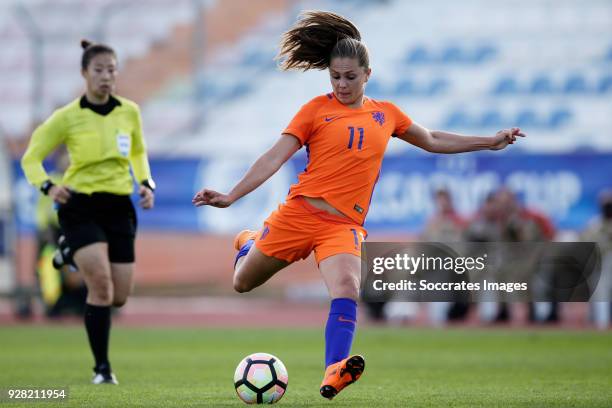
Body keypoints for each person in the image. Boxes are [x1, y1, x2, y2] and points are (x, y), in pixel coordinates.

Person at [192, 11, 525, 400]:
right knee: (242, 283)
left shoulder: (387, 114)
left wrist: (490, 140)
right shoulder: (315, 110)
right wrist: (232, 196)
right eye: (335, 76)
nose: (342, 84)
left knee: (348, 288)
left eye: (350, 77)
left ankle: (335, 368)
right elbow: (273, 157)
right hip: (299, 214)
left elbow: (432, 138)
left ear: (368, 74)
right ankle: (249, 240)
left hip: (342, 226)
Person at [21, 40, 155, 384]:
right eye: (98, 70)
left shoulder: (130, 111)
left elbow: (138, 151)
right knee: (101, 288)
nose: (106, 77)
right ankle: (102, 369)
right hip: (80, 205)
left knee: (120, 297)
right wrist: (48, 187)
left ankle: (67, 251)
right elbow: (31, 157)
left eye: (112, 70)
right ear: (84, 73)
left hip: (119, 206)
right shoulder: (67, 117)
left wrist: (145, 182)